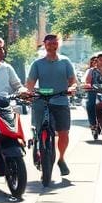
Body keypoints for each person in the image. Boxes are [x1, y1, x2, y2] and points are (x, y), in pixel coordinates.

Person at [24, 33, 77, 176]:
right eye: (49, 44)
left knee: (64, 133)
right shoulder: (37, 63)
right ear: (44, 45)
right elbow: (30, 84)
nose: (52, 46)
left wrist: (72, 88)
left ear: (57, 44)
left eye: (54, 43)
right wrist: (28, 93)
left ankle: (61, 158)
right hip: (42, 100)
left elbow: (73, 81)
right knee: (40, 129)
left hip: (61, 100)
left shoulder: (65, 62)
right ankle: (38, 144)